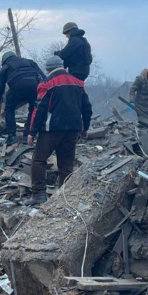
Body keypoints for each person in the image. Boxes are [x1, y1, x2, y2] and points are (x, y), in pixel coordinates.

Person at [23, 56, 92, 205]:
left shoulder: (47, 84)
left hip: (51, 129)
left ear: (48, 69)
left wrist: (32, 132)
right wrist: (85, 127)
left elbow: (39, 109)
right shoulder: (78, 83)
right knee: (66, 163)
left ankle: (39, 193)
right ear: (63, 66)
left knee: (39, 160)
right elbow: (87, 108)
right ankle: (64, 196)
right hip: (73, 129)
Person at [0, 51, 46, 144]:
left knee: (9, 109)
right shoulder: (30, 62)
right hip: (34, 86)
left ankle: (12, 135)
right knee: (33, 109)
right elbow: (43, 77)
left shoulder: (6, 66)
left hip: (17, 87)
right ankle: (28, 135)